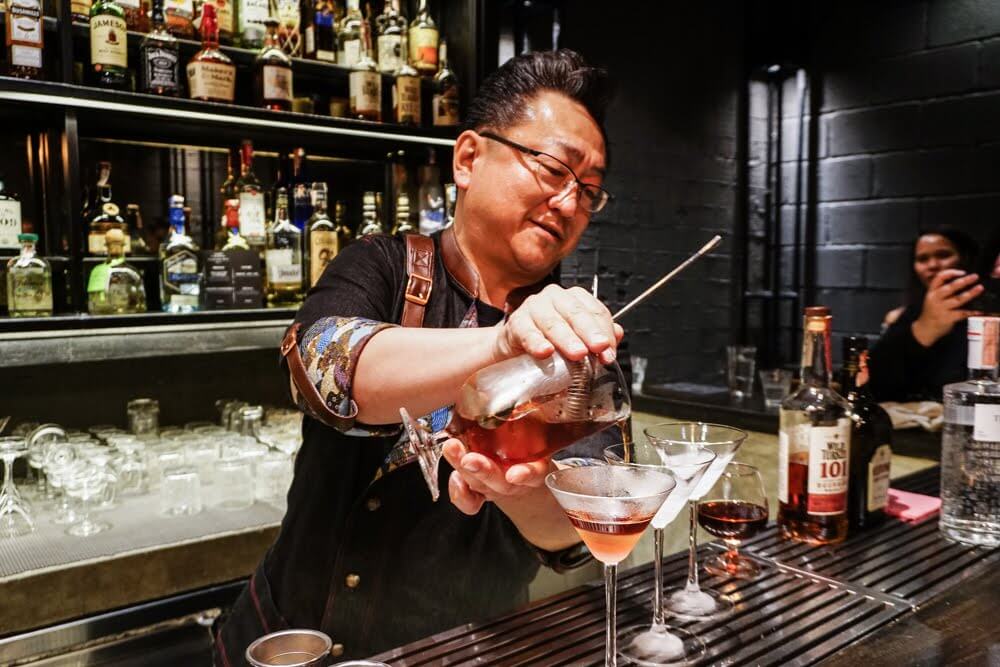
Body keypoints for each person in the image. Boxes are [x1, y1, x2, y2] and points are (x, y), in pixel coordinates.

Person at [214, 50, 619, 664]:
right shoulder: (380, 264)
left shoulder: (580, 333)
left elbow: (583, 533)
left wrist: (516, 489)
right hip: (298, 642)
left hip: (463, 651)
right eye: (552, 168)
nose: (568, 203)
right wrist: (502, 343)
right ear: (469, 158)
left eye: (588, 191)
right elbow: (323, 371)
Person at [869, 227, 983, 402]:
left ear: (964, 257)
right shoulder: (904, 314)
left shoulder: (984, 312)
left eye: (943, 255)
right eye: (923, 259)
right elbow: (874, 382)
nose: (932, 265)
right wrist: (923, 330)